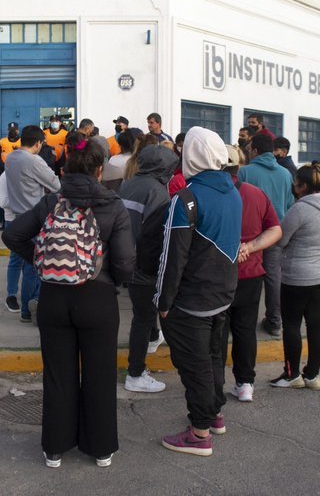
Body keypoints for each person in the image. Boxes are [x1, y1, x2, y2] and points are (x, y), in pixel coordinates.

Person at [2, 134, 135, 468]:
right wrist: (113, 280)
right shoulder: (114, 205)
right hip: (98, 298)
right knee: (100, 373)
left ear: (66, 168)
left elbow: (12, 234)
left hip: (54, 298)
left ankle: (55, 448)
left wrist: (41, 262)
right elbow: (124, 261)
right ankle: (101, 449)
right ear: (100, 171)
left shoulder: (51, 202)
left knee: (58, 374)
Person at [156, 127, 241, 457]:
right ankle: (214, 414)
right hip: (223, 296)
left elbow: (172, 257)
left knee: (195, 366)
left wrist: (163, 301)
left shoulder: (185, 199)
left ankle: (199, 433)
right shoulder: (233, 191)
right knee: (214, 357)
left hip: (191, 302)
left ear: (189, 155)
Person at [271, 162, 320, 390]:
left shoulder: (299, 209)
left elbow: (281, 239)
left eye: (296, 183)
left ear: (303, 186)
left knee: (291, 324)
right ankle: (312, 375)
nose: (293, 187)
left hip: (298, 277)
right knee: (316, 323)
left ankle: (292, 375)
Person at [222, 145, 281, 403]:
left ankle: (215, 384)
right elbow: (275, 229)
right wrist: (251, 247)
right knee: (245, 330)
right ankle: (245, 383)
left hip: (218, 277)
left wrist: (245, 247)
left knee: (218, 332)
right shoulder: (256, 194)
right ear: (239, 166)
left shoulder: (208, 195)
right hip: (251, 274)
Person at [119, 144, 179, 393]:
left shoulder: (128, 184)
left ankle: (153, 338)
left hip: (125, 259)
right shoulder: (158, 192)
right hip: (144, 265)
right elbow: (157, 237)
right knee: (143, 318)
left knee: (143, 311)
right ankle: (135, 373)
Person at [237, 133, 294, 337]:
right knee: (273, 276)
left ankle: (236, 319)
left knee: (243, 276)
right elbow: (289, 205)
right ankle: (274, 321)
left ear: (254, 151)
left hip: (248, 235)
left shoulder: (245, 172)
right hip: (274, 232)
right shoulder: (286, 174)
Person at [2, 125, 61, 320]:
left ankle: (16, 299)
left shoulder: (11, 157)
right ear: (38, 143)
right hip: (34, 218)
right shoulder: (34, 160)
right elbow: (56, 184)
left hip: (16, 217)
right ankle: (28, 309)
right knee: (33, 267)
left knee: (17, 261)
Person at [167, 132, 186, 197]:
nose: (181, 148)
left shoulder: (187, 155)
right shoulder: (171, 153)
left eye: (183, 146)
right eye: (180, 146)